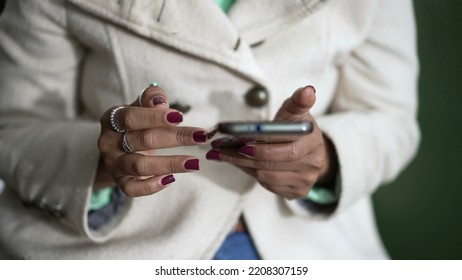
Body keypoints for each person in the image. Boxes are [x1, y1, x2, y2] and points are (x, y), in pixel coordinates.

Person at [0, 0, 420, 259]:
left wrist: (323, 155)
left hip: (304, 247)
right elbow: (14, 127)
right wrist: (102, 161)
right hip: (111, 247)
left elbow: (391, 117)